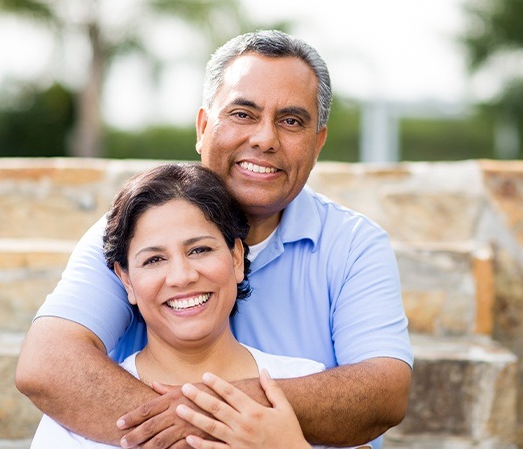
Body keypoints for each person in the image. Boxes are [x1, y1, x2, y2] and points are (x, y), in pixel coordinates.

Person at [16, 30, 413, 449]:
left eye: (291, 121)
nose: (264, 139)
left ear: (318, 143)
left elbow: (383, 393)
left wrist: (214, 413)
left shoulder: (353, 244)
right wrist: (203, 429)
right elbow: (48, 364)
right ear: (204, 126)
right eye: (242, 114)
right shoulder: (134, 230)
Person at [30, 163, 370, 449]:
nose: (181, 276)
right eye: (154, 260)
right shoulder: (77, 412)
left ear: (236, 258)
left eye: (200, 250)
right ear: (126, 280)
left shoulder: (305, 382)